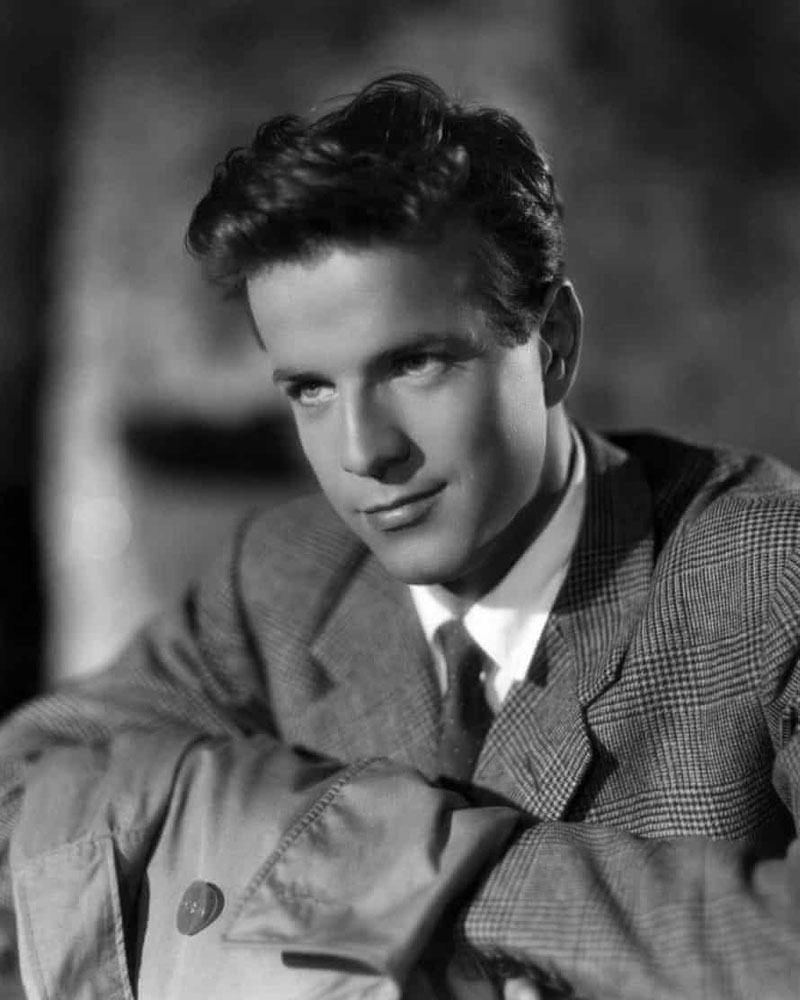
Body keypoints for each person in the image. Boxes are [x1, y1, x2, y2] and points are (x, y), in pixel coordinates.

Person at [1, 72, 800, 1000]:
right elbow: (24, 785)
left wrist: (394, 872)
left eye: (415, 363)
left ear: (552, 345)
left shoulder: (769, 571)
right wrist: (310, 835)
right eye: (310, 389)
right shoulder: (284, 576)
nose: (363, 453)